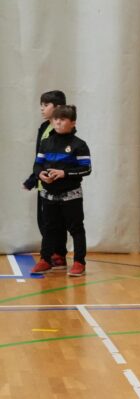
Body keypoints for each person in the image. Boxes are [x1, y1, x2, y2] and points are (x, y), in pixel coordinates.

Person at [31, 105, 90, 277]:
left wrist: (64, 173)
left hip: (71, 196)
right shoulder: (46, 142)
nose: (58, 122)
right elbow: (37, 164)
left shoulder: (79, 145)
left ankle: (79, 262)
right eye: (56, 118)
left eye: (63, 119)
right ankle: (45, 259)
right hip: (49, 195)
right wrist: (40, 174)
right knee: (49, 228)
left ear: (72, 123)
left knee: (76, 229)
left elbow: (86, 169)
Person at [24, 90, 68, 272]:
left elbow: (58, 158)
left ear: (57, 107)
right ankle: (51, 254)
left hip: (57, 185)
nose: (42, 109)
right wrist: (34, 177)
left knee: (58, 221)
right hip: (43, 182)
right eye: (41, 105)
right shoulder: (44, 128)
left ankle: (58, 254)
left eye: (46, 105)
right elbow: (39, 157)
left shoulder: (63, 130)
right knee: (44, 221)